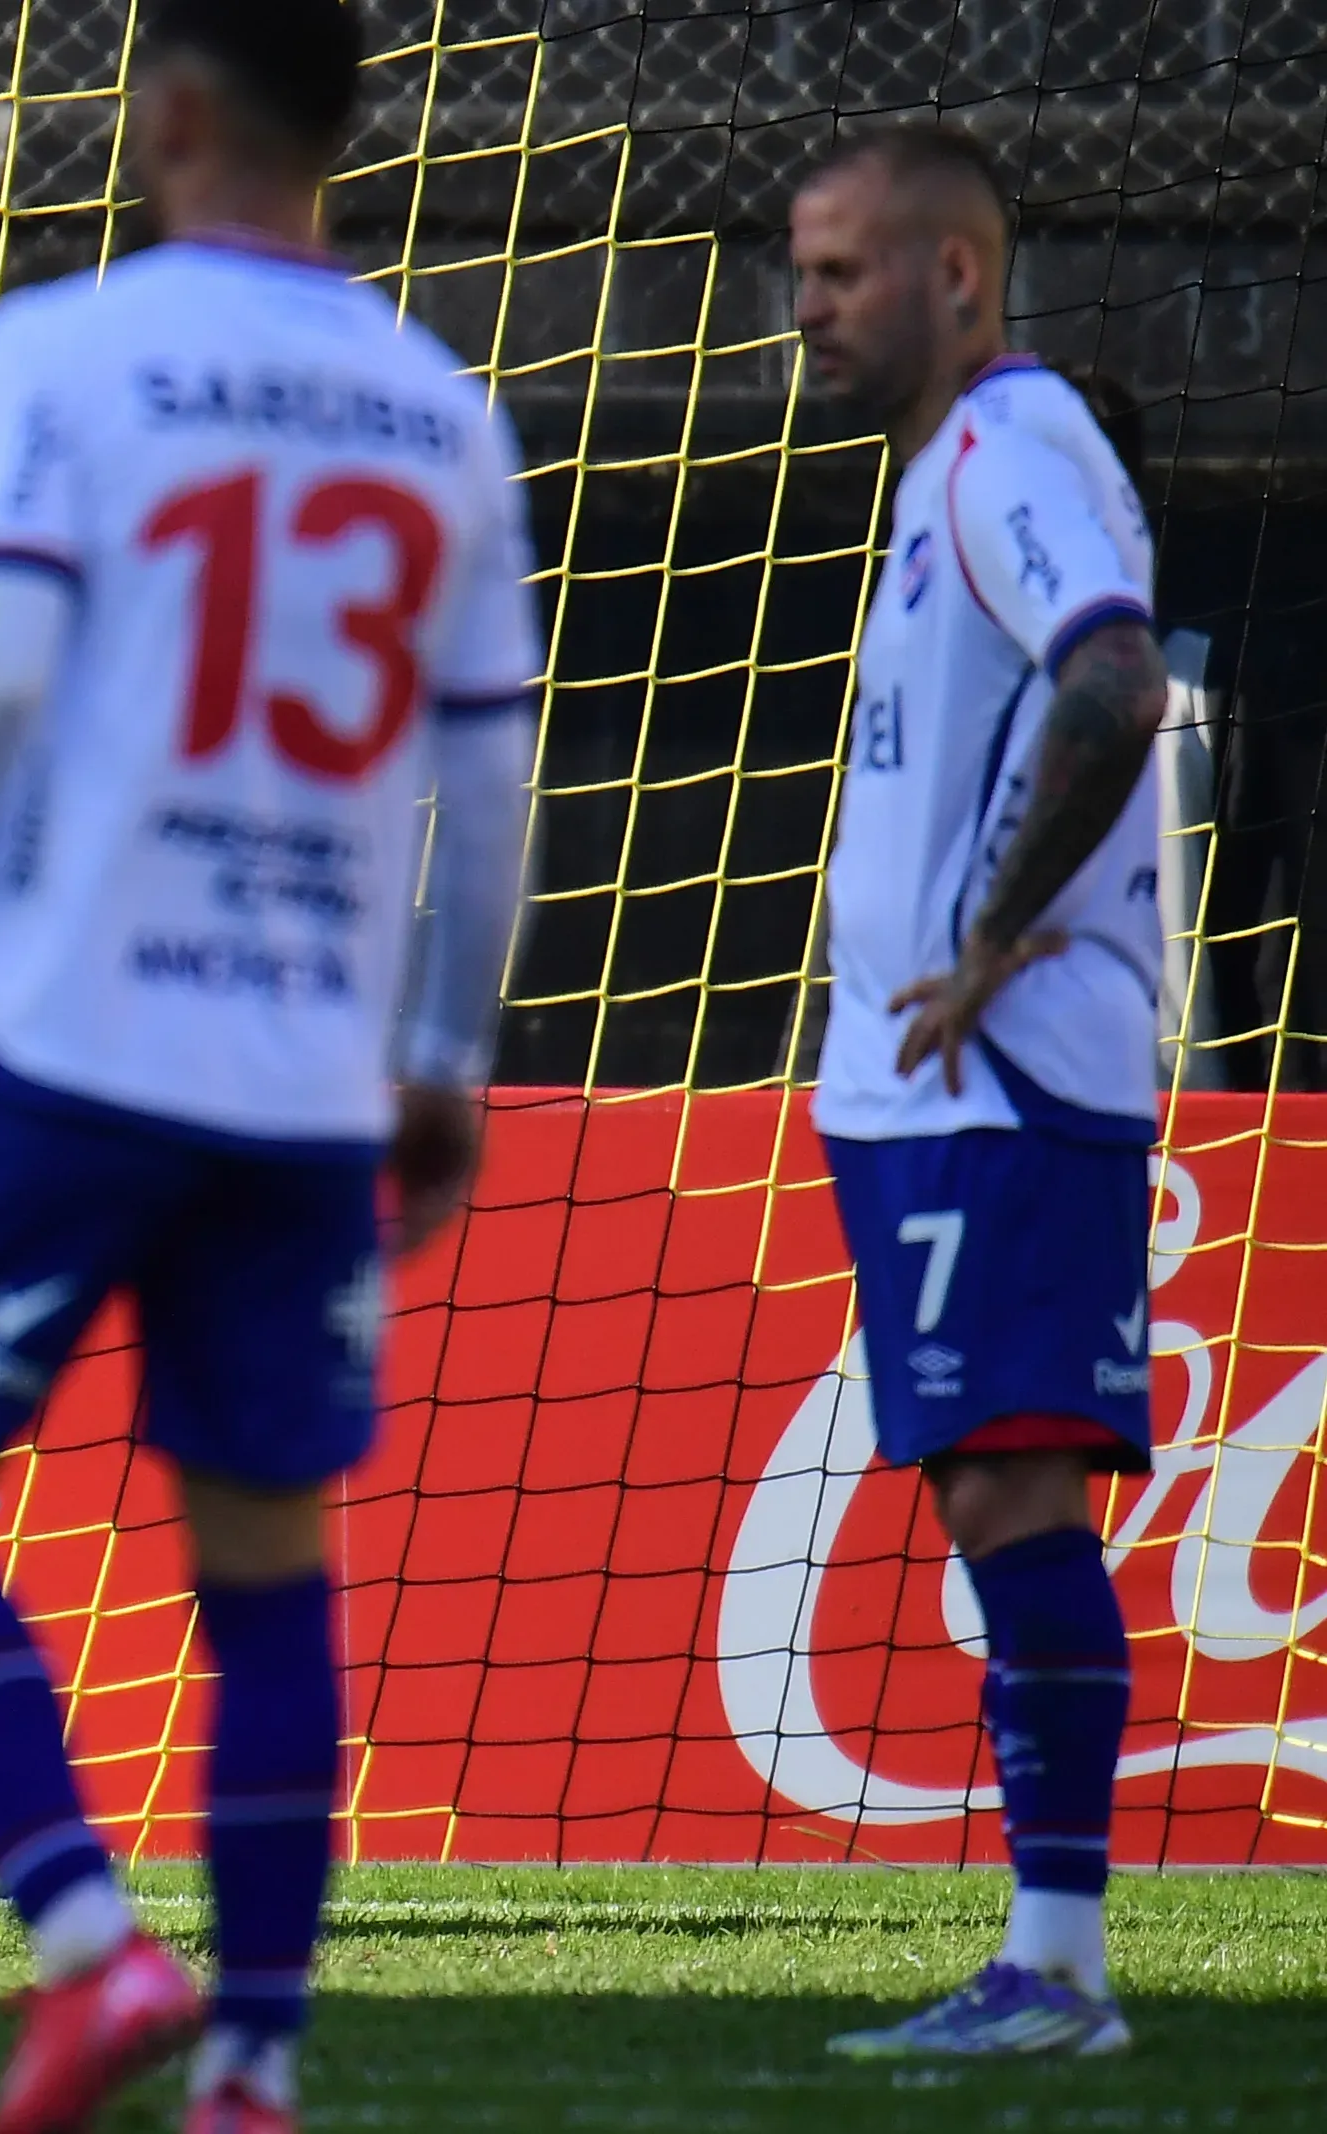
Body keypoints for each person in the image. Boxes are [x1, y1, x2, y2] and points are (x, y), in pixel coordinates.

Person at [0, 0, 540, 2122]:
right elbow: (484, 791)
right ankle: (257, 2066)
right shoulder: (442, 413)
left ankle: (95, 1948)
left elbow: (2, 654)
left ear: (172, 108)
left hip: (69, 1032)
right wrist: (444, 1054)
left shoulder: (65, 345)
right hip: (306, 1072)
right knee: (266, 1565)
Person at [791, 125, 1166, 2057]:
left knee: (1016, 1479)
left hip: (1004, 1080)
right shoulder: (955, 467)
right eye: (803, 271)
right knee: (989, 1486)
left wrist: (996, 933)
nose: (810, 308)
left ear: (957, 274)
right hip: (942, 1089)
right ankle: (1051, 1958)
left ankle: (1061, 1966)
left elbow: (1116, 676)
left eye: (845, 270)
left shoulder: (1010, 452)